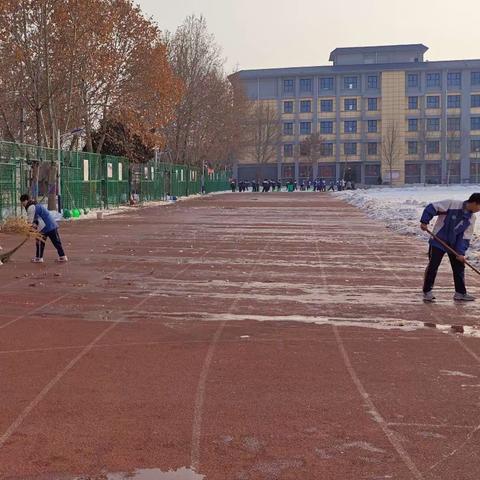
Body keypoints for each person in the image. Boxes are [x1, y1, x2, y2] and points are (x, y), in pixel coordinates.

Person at [420, 194, 480, 302]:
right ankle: (427, 291)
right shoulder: (452, 204)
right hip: (438, 241)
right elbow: (432, 207)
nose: (479, 210)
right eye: (479, 207)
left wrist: (460, 253)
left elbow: (465, 237)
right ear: (475, 203)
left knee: (459, 267)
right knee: (433, 266)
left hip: (454, 245)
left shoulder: (471, 218)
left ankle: (460, 293)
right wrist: (424, 221)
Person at [20, 194, 68, 264]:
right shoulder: (35, 204)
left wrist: (29, 230)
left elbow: (30, 221)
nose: (22, 204)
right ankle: (62, 256)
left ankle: (39, 258)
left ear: (26, 200)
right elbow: (35, 219)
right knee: (56, 242)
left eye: (22, 202)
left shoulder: (31, 207)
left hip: (44, 227)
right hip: (51, 224)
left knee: (39, 243)